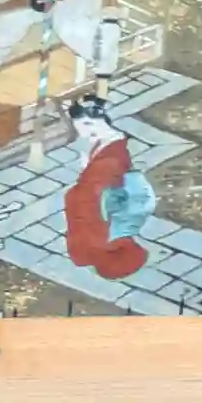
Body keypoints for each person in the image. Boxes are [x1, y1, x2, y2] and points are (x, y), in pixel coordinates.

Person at [63, 94, 151, 280]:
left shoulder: (117, 231)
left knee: (108, 154)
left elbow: (93, 195)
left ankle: (91, 117)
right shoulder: (90, 246)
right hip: (101, 188)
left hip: (103, 188)